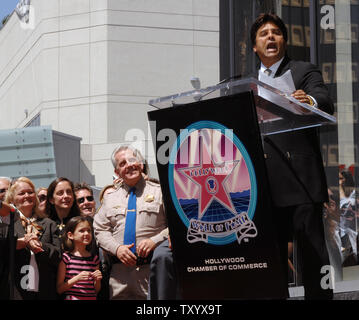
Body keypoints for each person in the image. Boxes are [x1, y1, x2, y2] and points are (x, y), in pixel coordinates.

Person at [251, 13, 334, 299]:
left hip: (300, 179)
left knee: (312, 258)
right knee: (270, 261)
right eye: (264, 34)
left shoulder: (303, 70)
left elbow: (323, 99)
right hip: (264, 183)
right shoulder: (247, 81)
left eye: (276, 33)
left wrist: (307, 101)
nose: (270, 37)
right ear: (254, 46)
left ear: (284, 40)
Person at [93, 145, 168, 299]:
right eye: (122, 163)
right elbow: (100, 230)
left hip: (152, 272)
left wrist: (155, 240)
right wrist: (117, 248)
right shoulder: (110, 198)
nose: (129, 165)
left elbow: (175, 226)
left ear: (141, 163)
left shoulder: (161, 192)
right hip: (119, 277)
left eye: (132, 160)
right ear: (116, 172)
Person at [4, 177, 61, 300]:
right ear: (12, 199)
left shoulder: (48, 224)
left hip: (45, 290)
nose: (27, 195)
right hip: (15, 290)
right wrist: (19, 244)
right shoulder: (6, 224)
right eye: (21, 193)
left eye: (30, 192)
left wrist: (40, 245)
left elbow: (58, 255)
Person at [57, 216, 102, 300]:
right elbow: (59, 289)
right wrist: (77, 278)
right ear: (70, 235)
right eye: (81, 231)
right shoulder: (66, 258)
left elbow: (96, 290)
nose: (86, 234)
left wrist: (98, 280)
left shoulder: (94, 259)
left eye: (89, 230)